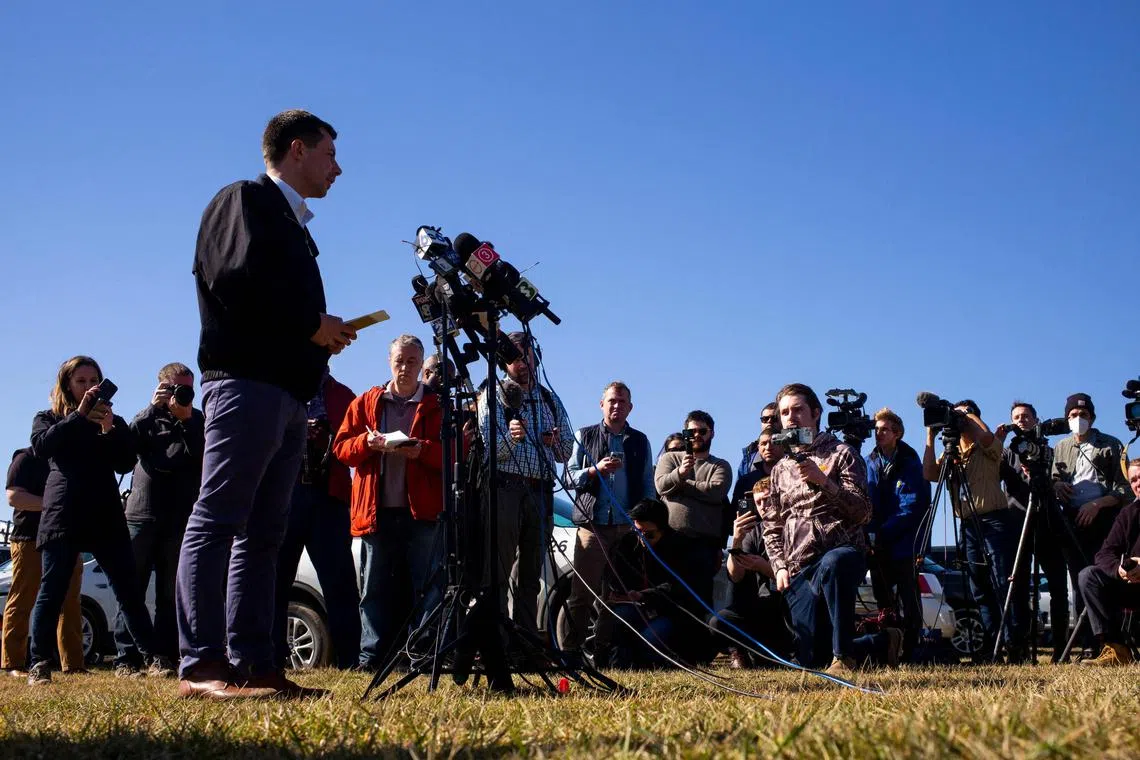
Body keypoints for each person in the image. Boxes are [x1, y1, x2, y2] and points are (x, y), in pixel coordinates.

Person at [178, 109, 356, 700]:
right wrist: (313, 324)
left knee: (263, 534)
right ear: (297, 149)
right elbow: (235, 277)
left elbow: (279, 305)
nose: (338, 167)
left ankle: (254, 664)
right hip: (245, 384)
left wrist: (323, 336)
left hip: (284, 394)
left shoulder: (296, 227)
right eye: (331, 153)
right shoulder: (245, 199)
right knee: (220, 517)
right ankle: (202, 665)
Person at [27, 356, 163, 685]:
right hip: (64, 512)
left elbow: (126, 462)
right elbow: (42, 447)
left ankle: (153, 658)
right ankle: (39, 663)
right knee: (53, 589)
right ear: (66, 386)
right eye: (81, 381)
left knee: (128, 590)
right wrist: (79, 416)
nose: (88, 387)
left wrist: (109, 429)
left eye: (93, 381)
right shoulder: (48, 418)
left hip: (105, 514)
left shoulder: (109, 421)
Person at [760, 383, 898, 674]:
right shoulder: (778, 470)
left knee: (835, 562)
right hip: (799, 567)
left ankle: (844, 658)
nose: (791, 417)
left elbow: (863, 512)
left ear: (816, 413)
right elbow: (772, 525)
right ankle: (881, 642)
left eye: (798, 409)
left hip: (841, 553)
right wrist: (779, 565)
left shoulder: (842, 454)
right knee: (811, 659)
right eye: (785, 412)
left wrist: (824, 482)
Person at [333, 335, 445, 670]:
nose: (405, 367)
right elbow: (341, 449)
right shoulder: (367, 402)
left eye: (412, 362)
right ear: (389, 361)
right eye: (400, 360)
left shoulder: (438, 405)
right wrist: (367, 443)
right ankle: (372, 658)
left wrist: (422, 451)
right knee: (374, 589)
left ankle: (421, 657)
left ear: (422, 366)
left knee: (426, 589)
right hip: (376, 511)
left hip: (421, 511)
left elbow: (456, 454)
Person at [476, 332, 572, 636]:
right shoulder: (492, 393)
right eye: (515, 357)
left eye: (526, 355)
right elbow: (488, 448)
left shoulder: (548, 398)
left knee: (531, 573)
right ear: (504, 362)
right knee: (499, 569)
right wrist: (511, 438)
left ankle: (526, 640)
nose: (522, 363)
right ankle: (497, 640)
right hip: (504, 488)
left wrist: (554, 441)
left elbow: (566, 450)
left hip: (540, 490)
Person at [113, 363, 205, 678]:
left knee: (169, 592)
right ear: (161, 387)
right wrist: (150, 411)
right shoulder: (145, 420)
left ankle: (163, 656)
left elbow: (204, 456)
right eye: (176, 388)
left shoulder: (198, 421)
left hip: (180, 516)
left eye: (188, 389)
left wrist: (187, 420)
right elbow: (124, 456)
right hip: (141, 514)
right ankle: (126, 658)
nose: (182, 394)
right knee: (131, 588)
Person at [923, 399, 1028, 662]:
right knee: (979, 587)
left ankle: (1014, 645)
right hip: (968, 524)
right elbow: (929, 473)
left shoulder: (988, 447)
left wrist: (968, 415)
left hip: (995, 521)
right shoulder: (952, 452)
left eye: (963, 418)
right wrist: (931, 433)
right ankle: (990, 647)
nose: (958, 421)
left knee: (1003, 583)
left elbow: (988, 438)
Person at [273, 370, 361, 670]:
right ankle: (272, 655)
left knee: (340, 582)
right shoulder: (281, 387)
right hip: (288, 493)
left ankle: (349, 659)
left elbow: (355, 443)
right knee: (276, 578)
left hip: (329, 495)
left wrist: (328, 434)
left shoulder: (344, 395)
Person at [562, 381, 655, 656]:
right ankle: (570, 652)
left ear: (630, 407)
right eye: (612, 401)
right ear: (601, 404)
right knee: (582, 594)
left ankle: (603, 651)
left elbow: (647, 483)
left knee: (616, 596)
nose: (617, 406)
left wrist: (644, 520)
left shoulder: (640, 440)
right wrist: (594, 470)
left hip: (627, 527)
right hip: (593, 526)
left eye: (622, 402)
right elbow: (568, 477)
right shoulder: (585, 435)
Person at [1051, 393, 1130, 657]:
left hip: (1104, 519)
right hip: (1073, 521)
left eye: (1083, 415)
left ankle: (1113, 640)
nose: (1078, 419)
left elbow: (1124, 487)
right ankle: (1088, 643)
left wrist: (1097, 505)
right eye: (1073, 415)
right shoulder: (1061, 447)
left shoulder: (1111, 444)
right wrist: (1057, 485)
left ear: (1092, 417)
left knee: (1104, 577)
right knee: (1078, 581)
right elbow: (1053, 478)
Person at [996, 401, 1073, 662]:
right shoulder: (1007, 453)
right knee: (1016, 588)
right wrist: (997, 443)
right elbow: (994, 476)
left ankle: (1061, 648)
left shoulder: (1050, 451)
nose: (1021, 420)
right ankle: (1018, 648)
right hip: (1018, 522)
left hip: (1049, 521)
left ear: (1036, 419)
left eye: (1026, 416)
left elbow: (1061, 481)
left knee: (1058, 587)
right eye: (1016, 417)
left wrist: (1050, 478)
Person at [2, 448, 84, 676]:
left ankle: (74, 664)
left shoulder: (69, 459)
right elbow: (14, 497)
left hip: (65, 538)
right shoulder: (26, 458)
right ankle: (14, 663)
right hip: (29, 537)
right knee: (23, 598)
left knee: (70, 602)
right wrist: (52, 503)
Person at [596, 498, 705, 668]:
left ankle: (659, 664)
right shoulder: (626, 544)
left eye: (649, 535)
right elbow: (615, 577)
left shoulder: (681, 547)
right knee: (617, 621)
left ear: (663, 529)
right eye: (638, 532)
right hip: (635, 606)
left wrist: (646, 595)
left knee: (650, 639)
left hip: (668, 611)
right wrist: (622, 593)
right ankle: (615, 667)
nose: (643, 539)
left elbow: (680, 587)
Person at [864, 408, 930, 661]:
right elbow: (866, 500)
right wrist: (869, 534)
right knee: (883, 597)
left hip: (904, 543)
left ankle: (913, 647)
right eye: (876, 430)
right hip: (876, 544)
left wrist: (883, 532)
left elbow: (911, 505)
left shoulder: (911, 463)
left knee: (908, 596)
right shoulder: (870, 461)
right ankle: (888, 644)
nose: (879, 434)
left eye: (884, 429)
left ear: (897, 433)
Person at [711, 480, 793, 669]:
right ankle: (739, 650)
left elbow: (800, 577)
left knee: (771, 660)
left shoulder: (794, 526)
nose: (763, 507)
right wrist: (737, 541)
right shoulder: (754, 531)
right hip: (760, 606)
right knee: (718, 621)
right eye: (758, 502)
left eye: (767, 500)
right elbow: (735, 575)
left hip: (788, 608)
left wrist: (766, 568)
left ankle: (763, 653)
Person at [654, 410, 732, 607]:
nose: (697, 435)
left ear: (712, 433)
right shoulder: (670, 459)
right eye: (692, 431)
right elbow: (661, 486)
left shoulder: (720, 465)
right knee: (664, 601)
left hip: (703, 547)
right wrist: (680, 472)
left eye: (702, 431)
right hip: (669, 541)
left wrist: (681, 483)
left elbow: (716, 492)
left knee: (699, 604)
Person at [1076, 459, 1140, 667]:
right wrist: (1119, 570)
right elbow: (1104, 554)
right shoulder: (1128, 513)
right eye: (1133, 480)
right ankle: (1116, 648)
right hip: (1131, 585)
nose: (1137, 483)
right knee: (1088, 575)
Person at [736, 403, 781, 480]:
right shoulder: (750, 455)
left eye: (774, 418)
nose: (769, 421)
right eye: (765, 419)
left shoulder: (795, 449)